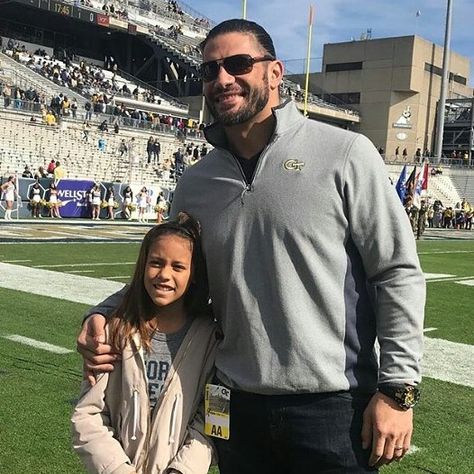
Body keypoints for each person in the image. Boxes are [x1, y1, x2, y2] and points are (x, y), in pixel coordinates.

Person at [77, 19, 425, 473]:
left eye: (238, 63)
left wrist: (398, 389)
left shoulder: (346, 153)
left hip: (332, 407)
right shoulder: (196, 183)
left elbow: (395, 271)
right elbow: (167, 270)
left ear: (275, 72)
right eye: (209, 70)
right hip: (231, 402)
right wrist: (102, 313)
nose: (222, 79)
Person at [72, 213, 218, 474]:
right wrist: (118, 469)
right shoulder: (116, 329)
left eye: (177, 267)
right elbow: (88, 414)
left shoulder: (210, 338)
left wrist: (183, 469)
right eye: (156, 263)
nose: (164, 274)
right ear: (142, 267)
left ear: (194, 274)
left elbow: (212, 418)